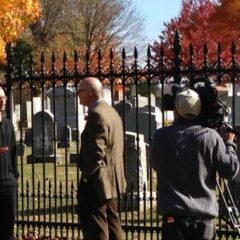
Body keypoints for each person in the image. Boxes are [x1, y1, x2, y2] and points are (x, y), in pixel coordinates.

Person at [150, 88, 239, 240]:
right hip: (203, 220)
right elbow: (230, 170)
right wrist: (229, 144)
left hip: (173, 218)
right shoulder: (210, 136)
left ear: (176, 110)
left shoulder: (161, 136)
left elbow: (155, 164)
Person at [77, 77, 126, 240]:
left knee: (96, 227)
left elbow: (97, 152)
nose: (77, 94)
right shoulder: (109, 111)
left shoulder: (97, 114)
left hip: (98, 181)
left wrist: (86, 176)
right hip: (112, 178)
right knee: (113, 224)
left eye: (80, 91)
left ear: (89, 94)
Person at [0, 87, 19, 240]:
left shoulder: (8, 125)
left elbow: (13, 153)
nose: (2, 101)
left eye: (4, 97)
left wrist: (14, 177)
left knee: (8, 224)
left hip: (8, 183)